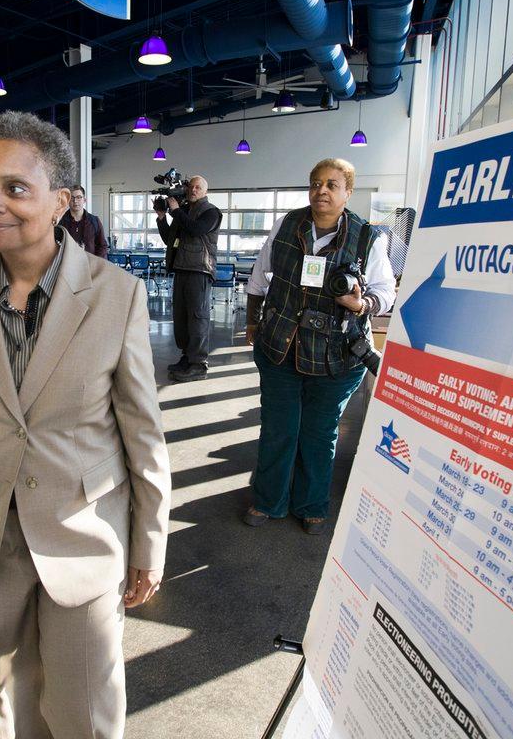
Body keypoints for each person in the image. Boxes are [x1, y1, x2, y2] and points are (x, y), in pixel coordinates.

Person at [0, 110, 171, 739]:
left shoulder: (115, 295)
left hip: (85, 534)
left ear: (64, 203)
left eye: (15, 188)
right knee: (10, 702)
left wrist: (150, 543)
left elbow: (142, 435)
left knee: (85, 708)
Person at [243, 158, 396, 535]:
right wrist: (251, 320)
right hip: (280, 347)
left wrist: (361, 304)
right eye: (315, 183)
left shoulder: (367, 237)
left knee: (319, 432)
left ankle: (311, 504)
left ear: (347, 192)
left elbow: (385, 293)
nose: (321, 190)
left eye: (331, 184)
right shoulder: (286, 225)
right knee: (278, 427)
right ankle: (268, 500)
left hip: (337, 357)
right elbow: (259, 278)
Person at [155, 174, 221, 382]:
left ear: (205, 191)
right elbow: (169, 239)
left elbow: (196, 229)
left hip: (199, 271)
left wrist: (175, 211)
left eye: (198, 187)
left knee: (197, 317)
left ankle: (198, 364)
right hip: (182, 268)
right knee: (182, 317)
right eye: (191, 187)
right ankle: (187, 357)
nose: (193, 190)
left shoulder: (211, 212)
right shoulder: (184, 211)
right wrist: (161, 217)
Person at [58, 184, 109, 258]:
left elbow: (103, 246)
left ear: (84, 200)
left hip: (90, 266)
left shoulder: (94, 221)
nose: (75, 201)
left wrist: (95, 263)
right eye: (72, 198)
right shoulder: (60, 221)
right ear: (68, 200)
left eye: (79, 197)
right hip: (68, 266)